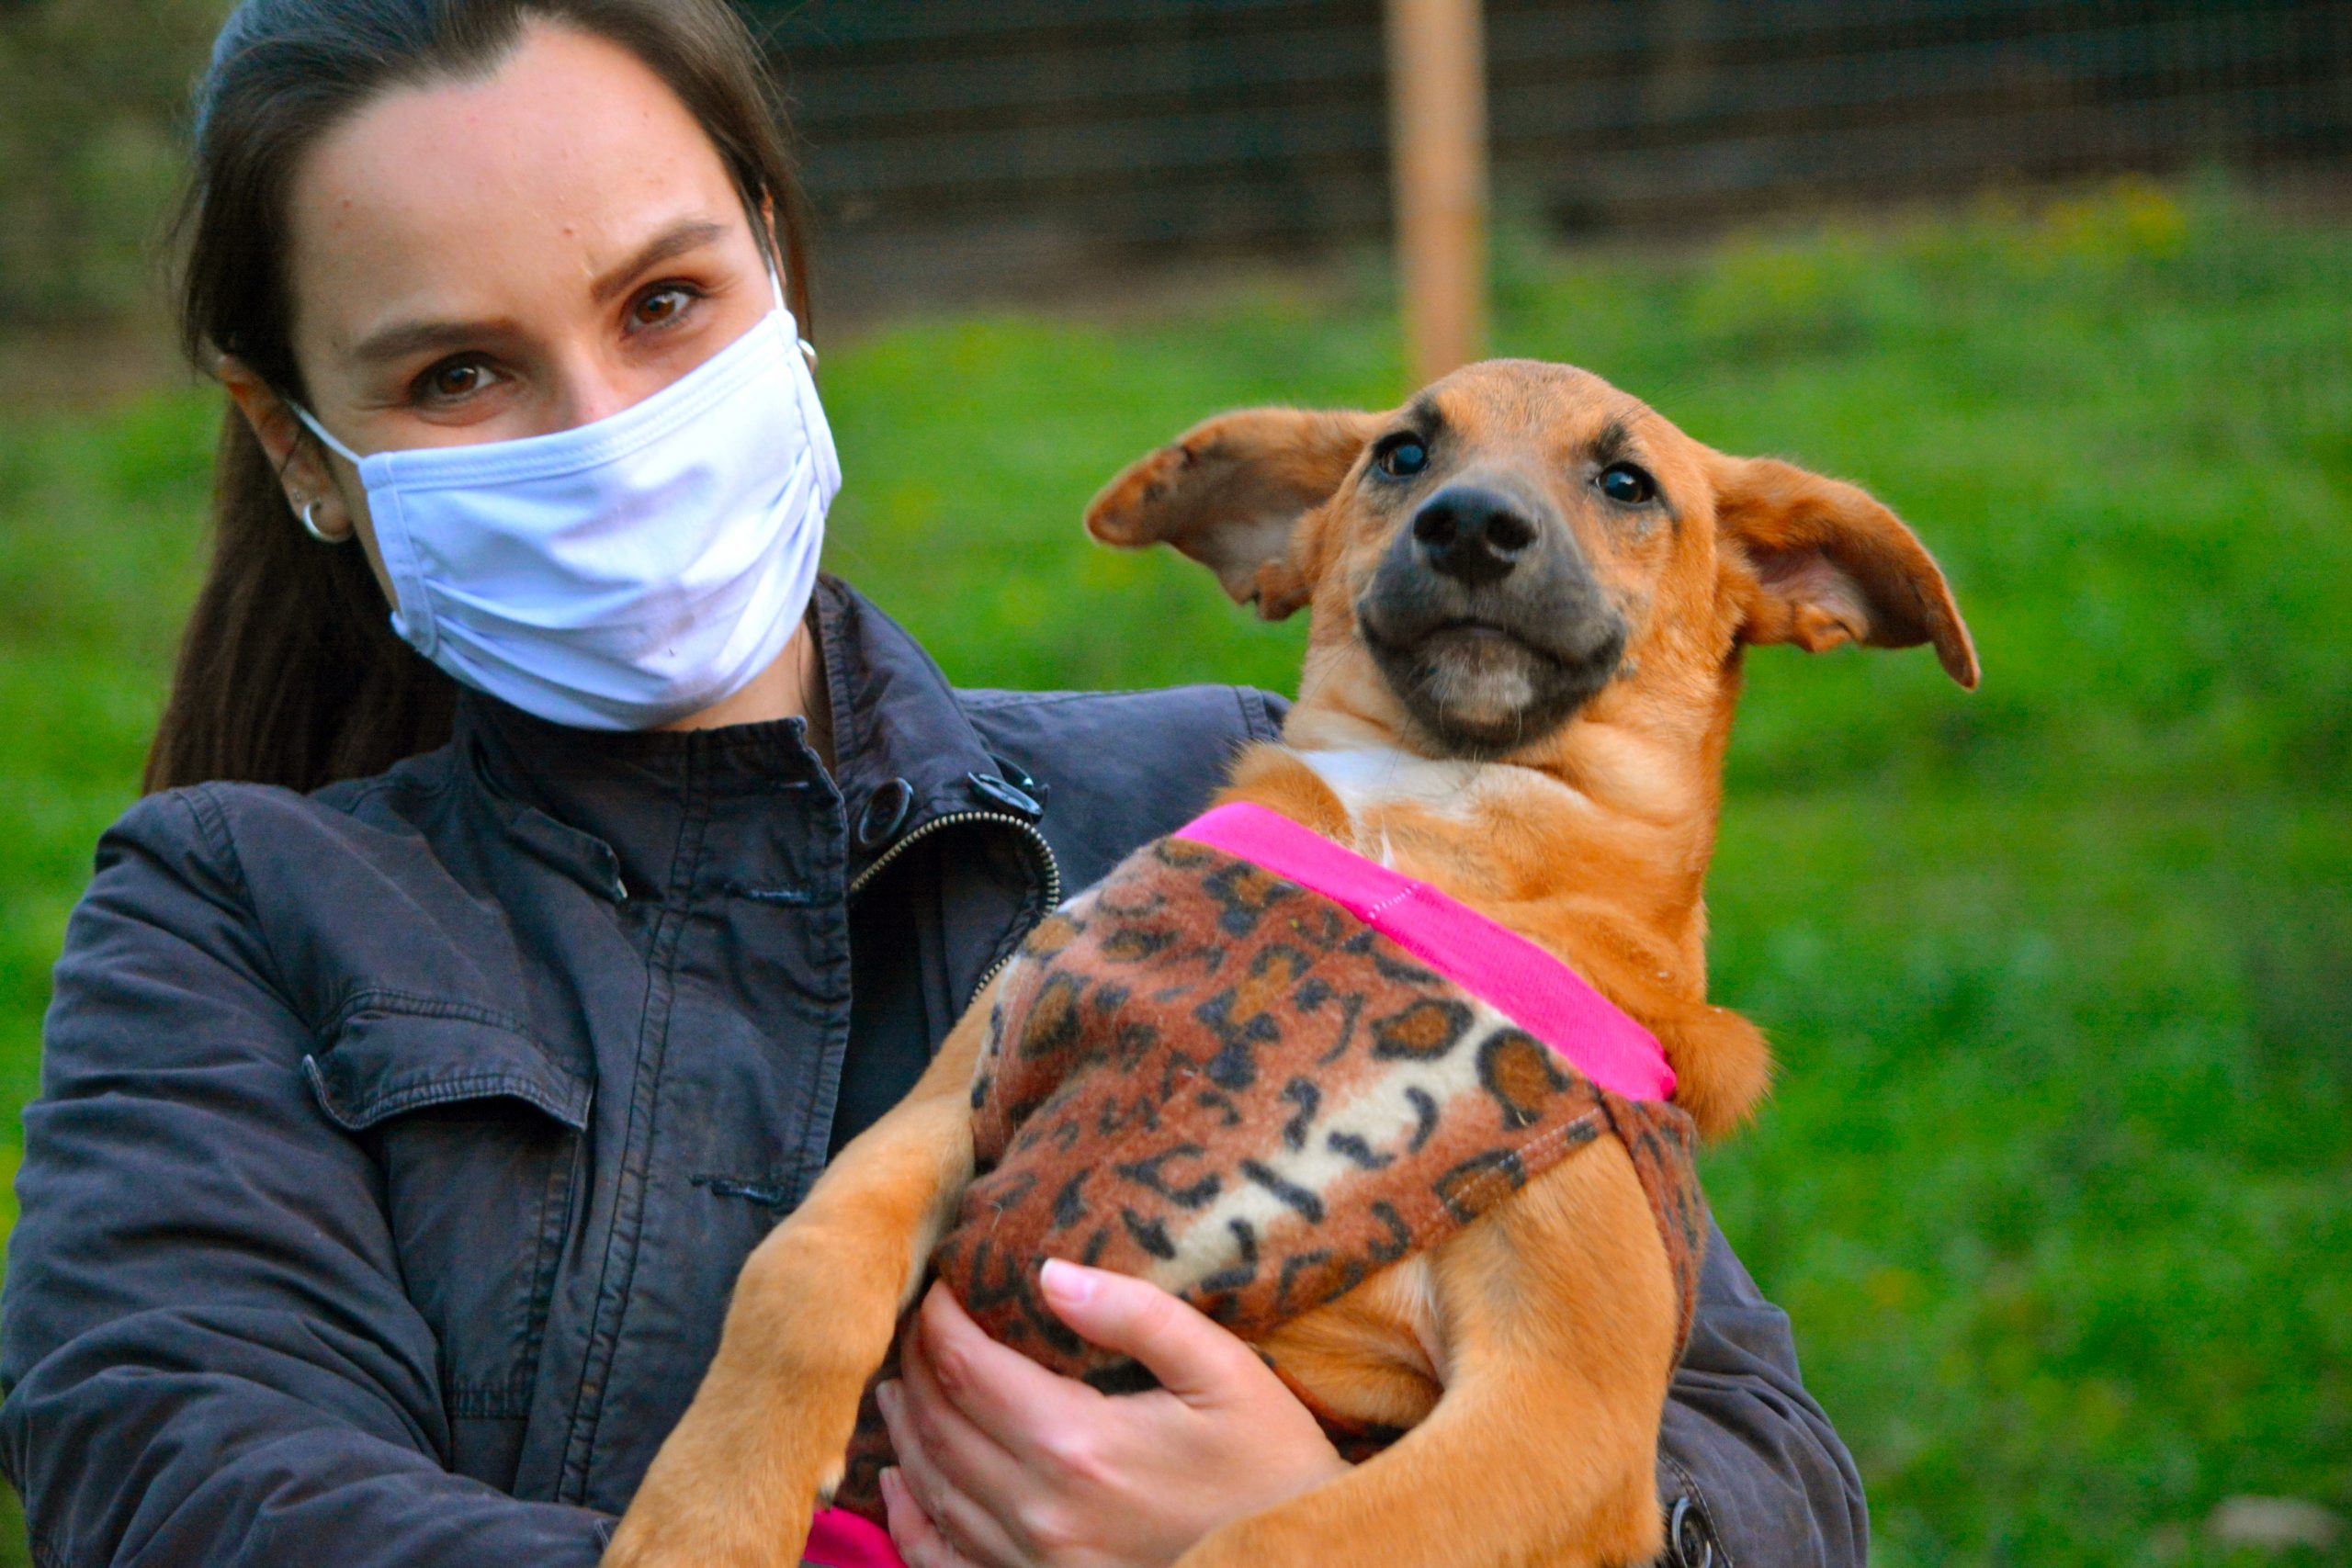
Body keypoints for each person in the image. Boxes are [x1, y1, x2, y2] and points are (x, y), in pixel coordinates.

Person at [0, 3, 1866, 1564]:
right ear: (299, 447)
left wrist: (1309, 1514)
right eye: (459, 372)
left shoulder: (1264, 824)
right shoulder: (231, 915)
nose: (608, 437)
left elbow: (1751, 1468)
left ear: (777, 269)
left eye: (663, 303)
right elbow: (180, 1479)